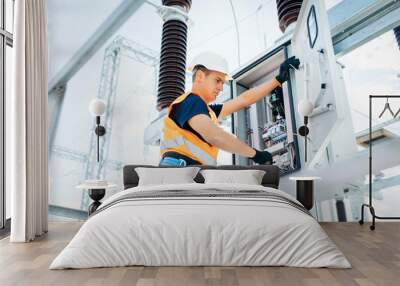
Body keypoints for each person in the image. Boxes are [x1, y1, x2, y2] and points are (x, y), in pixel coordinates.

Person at [159, 51, 300, 166]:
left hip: (188, 172)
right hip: (178, 170)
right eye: (217, 80)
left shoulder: (206, 111)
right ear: (200, 76)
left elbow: (243, 100)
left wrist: (277, 80)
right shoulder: (191, 102)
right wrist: (256, 154)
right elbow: (215, 136)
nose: (221, 87)